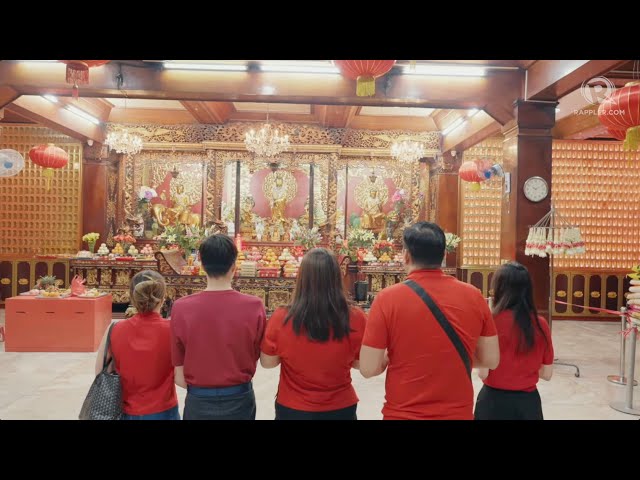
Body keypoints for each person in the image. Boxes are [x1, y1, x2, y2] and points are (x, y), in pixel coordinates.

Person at [359, 222, 500, 420]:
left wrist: (392, 358)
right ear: (443, 256)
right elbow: (491, 360)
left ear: (406, 256)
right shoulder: (473, 296)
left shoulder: (387, 299)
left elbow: (367, 368)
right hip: (457, 414)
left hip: (402, 414)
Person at [260, 248, 367, 420]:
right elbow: (361, 364)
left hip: (293, 407)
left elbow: (268, 362)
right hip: (340, 407)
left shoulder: (282, 318)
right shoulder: (356, 317)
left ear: (302, 279)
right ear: (337, 277)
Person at [170, 234, 266, 420]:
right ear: (234, 267)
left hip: (199, 399)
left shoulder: (181, 307)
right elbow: (259, 355)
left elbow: (179, 373)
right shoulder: (254, 306)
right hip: (240, 398)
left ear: (202, 266)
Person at [474, 262, 554, 420]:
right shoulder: (540, 324)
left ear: (498, 289)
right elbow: (547, 373)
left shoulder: (490, 322)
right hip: (528, 404)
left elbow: (483, 372)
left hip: (492, 403)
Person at [95, 270, 179, 420]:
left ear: (132, 297)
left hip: (126, 410)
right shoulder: (173, 329)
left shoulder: (115, 329)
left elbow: (99, 372)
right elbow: (181, 378)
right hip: (164, 410)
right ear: (163, 298)